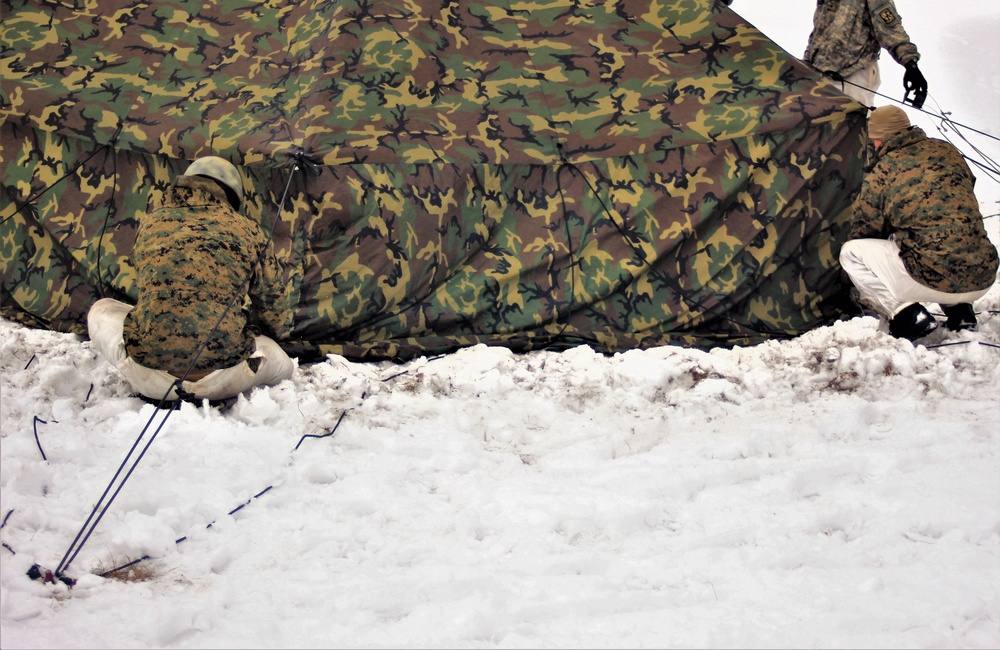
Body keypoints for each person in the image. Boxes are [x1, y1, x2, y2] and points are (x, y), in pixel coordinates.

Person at [88, 156, 295, 403]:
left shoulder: (151, 222)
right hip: (224, 378)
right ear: (231, 195)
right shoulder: (247, 229)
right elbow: (275, 315)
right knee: (285, 366)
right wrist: (256, 329)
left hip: (150, 378)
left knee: (102, 308)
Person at [839, 106, 998, 341]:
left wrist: (844, 283)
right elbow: (964, 190)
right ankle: (961, 311)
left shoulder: (884, 169)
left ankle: (906, 316)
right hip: (983, 274)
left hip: (935, 279)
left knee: (852, 253)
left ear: (880, 140)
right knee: (943, 237)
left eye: (873, 142)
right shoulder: (947, 150)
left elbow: (865, 231)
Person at [803, 0, 927, 108]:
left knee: (850, 128)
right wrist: (807, 62)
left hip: (854, 74)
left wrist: (910, 64)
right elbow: (819, 31)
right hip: (820, 74)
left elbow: (891, 30)